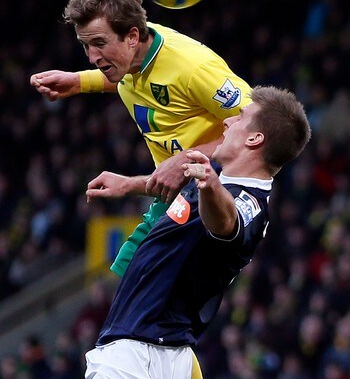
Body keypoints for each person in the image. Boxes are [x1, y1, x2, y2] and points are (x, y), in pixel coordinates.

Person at [30, 0, 252, 280]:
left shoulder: (192, 67)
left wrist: (187, 159)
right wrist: (79, 81)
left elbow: (256, 123)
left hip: (216, 196)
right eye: (85, 45)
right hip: (175, 194)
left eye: (99, 43)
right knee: (128, 285)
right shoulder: (133, 58)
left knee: (142, 296)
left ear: (132, 36)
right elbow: (129, 77)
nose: (93, 57)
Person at [82, 85, 311, 378]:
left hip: (139, 352)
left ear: (254, 138)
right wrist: (130, 185)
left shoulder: (249, 203)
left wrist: (210, 184)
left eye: (239, 118)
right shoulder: (217, 179)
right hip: (163, 350)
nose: (227, 122)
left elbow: (227, 223)